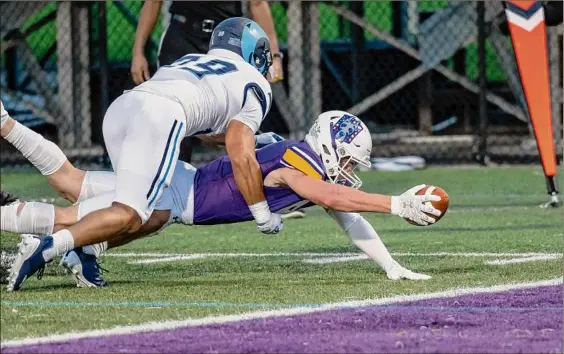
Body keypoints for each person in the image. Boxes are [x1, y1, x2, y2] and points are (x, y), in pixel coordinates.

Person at [2, 109, 441, 290]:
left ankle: (5, 124)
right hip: (176, 192)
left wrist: (391, 266)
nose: (350, 172)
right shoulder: (298, 163)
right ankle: (65, 247)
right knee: (68, 213)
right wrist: (395, 204)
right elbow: (326, 194)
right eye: (348, 160)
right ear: (329, 147)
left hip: (180, 181)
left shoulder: (304, 158)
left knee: (70, 183)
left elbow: (346, 215)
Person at [3, 17, 289, 291]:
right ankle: (47, 248)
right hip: (159, 116)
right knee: (131, 214)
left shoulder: (194, 60)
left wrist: (256, 138)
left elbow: (207, 124)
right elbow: (240, 153)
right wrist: (262, 214)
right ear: (257, 54)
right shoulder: (257, 83)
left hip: (124, 107)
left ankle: (6, 124)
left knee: (83, 187)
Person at [131, 0, 284, 164]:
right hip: (183, 36)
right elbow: (153, 2)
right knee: (175, 113)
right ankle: (171, 182)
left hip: (227, 41)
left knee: (239, 119)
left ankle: (250, 179)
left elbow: (258, 3)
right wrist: (138, 51)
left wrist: (274, 55)